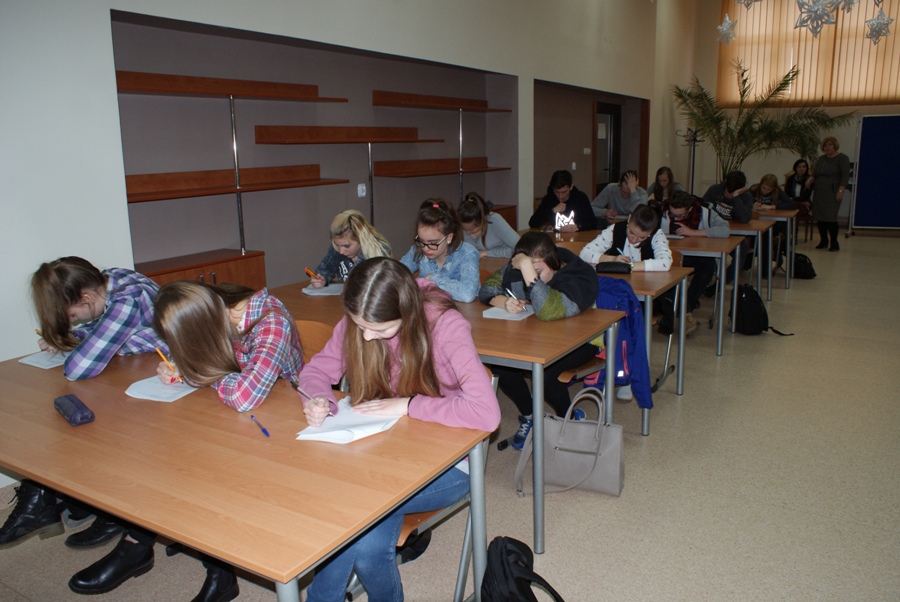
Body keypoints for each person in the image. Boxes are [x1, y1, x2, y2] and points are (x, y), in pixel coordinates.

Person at [66, 280, 303, 601]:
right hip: (238, 420)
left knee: (200, 468)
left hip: (280, 431)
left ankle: (213, 571)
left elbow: (244, 396)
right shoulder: (216, 312)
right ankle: (138, 544)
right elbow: (212, 365)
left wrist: (197, 369)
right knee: (167, 451)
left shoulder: (270, 320)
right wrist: (178, 366)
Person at [299, 257, 501, 602]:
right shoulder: (363, 316)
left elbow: (486, 413)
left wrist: (409, 405)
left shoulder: (445, 326)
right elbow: (316, 371)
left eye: (378, 329)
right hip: (387, 449)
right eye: (359, 325)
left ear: (406, 313)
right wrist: (319, 398)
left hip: (452, 463)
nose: (366, 335)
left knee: (349, 512)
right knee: (366, 544)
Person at [1, 258, 168, 556]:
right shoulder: (111, 279)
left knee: (97, 422)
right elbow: (104, 326)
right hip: (136, 370)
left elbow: (77, 368)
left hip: (165, 380)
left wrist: (72, 342)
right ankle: (59, 498)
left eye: (73, 315)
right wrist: (77, 335)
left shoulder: (128, 300)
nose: (74, 320)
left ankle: (110, 512)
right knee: (68, 409)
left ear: (87, 297)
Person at [478, 232, 598, 449]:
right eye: (527, 269)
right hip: (538, 338)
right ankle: (530, 416)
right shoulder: (521, 267)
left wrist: (527, 269)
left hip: (582, 342)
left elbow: (547, 311)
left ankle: (569, 418)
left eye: (538, 271)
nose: (530, 277)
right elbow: (487, 287)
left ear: (553, 261)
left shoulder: (578, 275)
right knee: (502, 364)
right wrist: (503, 301)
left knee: (546, 373)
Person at [580, 205, 676, 337]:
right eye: (631, 232)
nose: (634, 239)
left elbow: (665, 262)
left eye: (642, 238)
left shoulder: (657, 235)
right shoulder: (615, 229)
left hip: (646, 295)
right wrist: (612, 259)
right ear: (629, 219)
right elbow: (584, 254)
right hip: (616, 291)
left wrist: (630, 266)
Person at [660, 191, 730, 336]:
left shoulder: (704, 212)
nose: (675, 218)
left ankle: (685, 307)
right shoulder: (661, 210)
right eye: (673, 214)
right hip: (669, 255)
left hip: (696, 255)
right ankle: (677, 311)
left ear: (690, 209)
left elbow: (725, 230)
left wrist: (693, 232)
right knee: (670, 271)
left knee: (708, 266)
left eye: (680, 216)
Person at [399, 198, 481, 302]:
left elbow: (467, 294)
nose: (425, 248)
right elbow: (397, 275)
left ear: (449, 237)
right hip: (429, 307)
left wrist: (434, 278)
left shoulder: (467, 254)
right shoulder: (417, 248)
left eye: (433, 243)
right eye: (421, 240)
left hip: (463, 310)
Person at [310, 209, 391, 287]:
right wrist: (322, 278)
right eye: (337, 244)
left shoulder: (378, 251)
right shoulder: (337, 248)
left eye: (346, 246)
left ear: (361, 238)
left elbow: (360, 280)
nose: (341, 251)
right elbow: (326, 267)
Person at [807, 136, 851, 251]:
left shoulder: (842, 158)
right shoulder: (821, 159)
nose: (827, 147)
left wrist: (840, 191)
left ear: (835, 145)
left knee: (830, 217)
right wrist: (811, 178)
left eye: (830, 145)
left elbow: (845, 176)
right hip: (819, 192)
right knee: (820, 216)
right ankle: (823, 241)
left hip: (833, 192)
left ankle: (834, 242)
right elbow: (815, 172)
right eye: (825, 145)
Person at [529, 170, 597, 232]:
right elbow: (533, 223)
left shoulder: (580, 198)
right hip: (556, 237)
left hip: (578, 237)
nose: (560, 196)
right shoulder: (549, 199)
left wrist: (578, 226)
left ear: (571, 187)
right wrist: (553, 210)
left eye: (564, 192)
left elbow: (593, 223)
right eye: (557, 192)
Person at [458, 191, 519, 258]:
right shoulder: (464, 222)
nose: (467, 233)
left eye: (472, 229)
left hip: (501, 261)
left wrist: (488, 253)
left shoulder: (495, 221)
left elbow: (520, 249)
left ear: (483, 220)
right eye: (464, 229)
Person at [784, 158, 813, 223]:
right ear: (795, 168)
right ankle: (790, 226)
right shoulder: (790, 179)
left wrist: (794, 199)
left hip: (804, 202)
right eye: (799, 167)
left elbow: (806, 196)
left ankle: (794, 226)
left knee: (798, 206)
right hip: (792, 201)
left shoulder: (809, 180)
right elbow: (787, 192)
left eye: (804, 167)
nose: (801, 169)